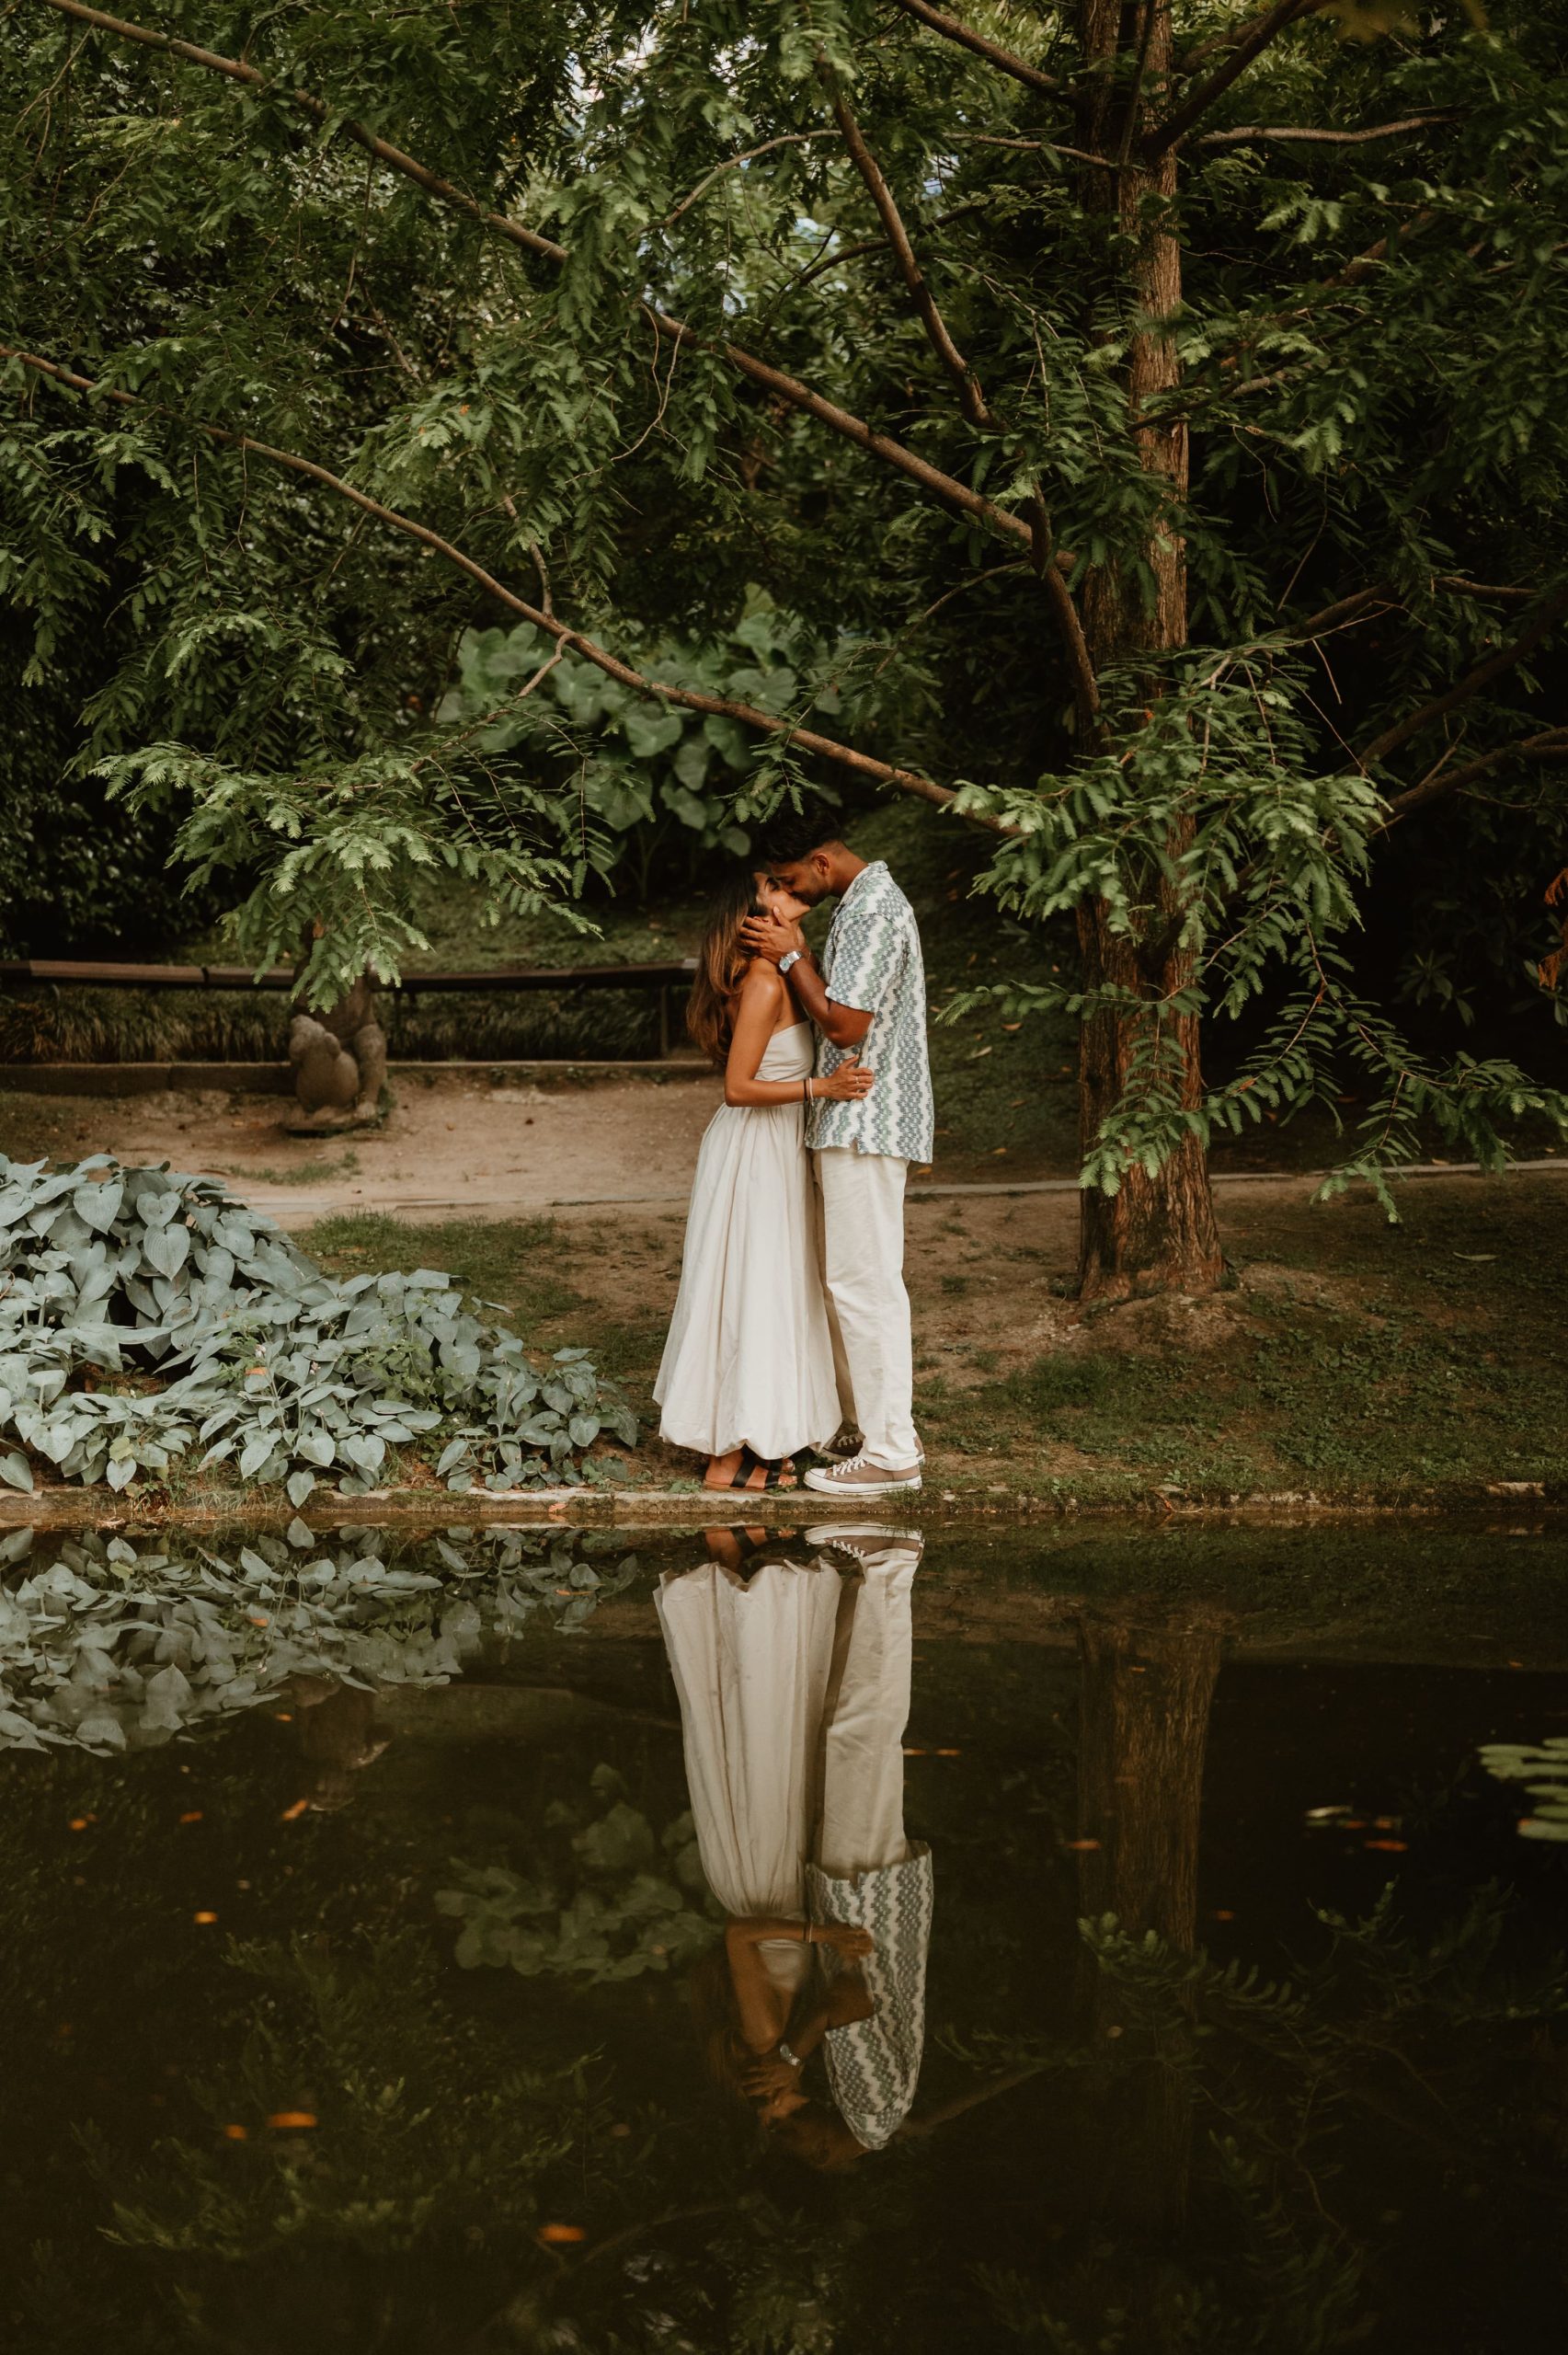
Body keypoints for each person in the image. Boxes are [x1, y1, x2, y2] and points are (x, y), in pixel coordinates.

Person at [658, 1526, 933, 2169]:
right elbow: (853, 2000)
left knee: (847, 1735)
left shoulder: (775, 2046)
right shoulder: (856, 2101)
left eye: (776, 2118)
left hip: (829, 1887)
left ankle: (880, 1571)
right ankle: (869, 1575)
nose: (821, 2151)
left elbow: (814, 1981)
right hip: (850, 1887)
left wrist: (787, 2055)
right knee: (842, 1735)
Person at [654, 869, 875, 1492]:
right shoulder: (757, 981)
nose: (791, 897)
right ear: (750, 919)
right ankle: (738, 1448)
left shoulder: (772, 975)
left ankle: (755, 1436)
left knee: (764, 1287)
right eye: (775, 892)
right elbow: (738, 1087)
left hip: (770, 1146)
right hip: (753, 1147)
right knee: (754, 1287)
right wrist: (822, 1087)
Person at [740, 821, 934, 1498]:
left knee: (866, 1284)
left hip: (866, 1121)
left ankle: (892, 1454)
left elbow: (847, 1025)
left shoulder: (875, 910)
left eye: (791, 880)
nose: (787, 892)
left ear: (821, 861)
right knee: (845, 1282)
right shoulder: (858, 905)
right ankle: (864, 1428)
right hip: (847, 1119)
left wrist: (794, 956)